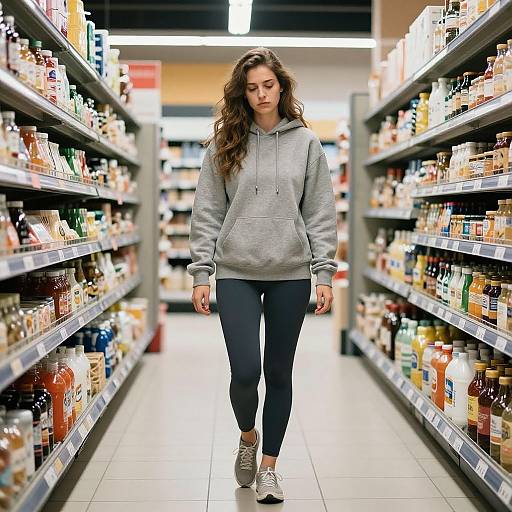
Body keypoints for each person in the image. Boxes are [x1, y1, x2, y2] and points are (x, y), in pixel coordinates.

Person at [187, 47, 337, 504]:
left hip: (291, 272)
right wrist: (201, 272)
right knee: (245, 371)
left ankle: (270, 466)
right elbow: (207, 212)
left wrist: (324, 272)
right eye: (251, 88)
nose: (261, 95)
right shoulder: (224, 143)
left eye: (268, 85)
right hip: (237, 272)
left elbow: (320, 212)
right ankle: (248, 437)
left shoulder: (306, 144)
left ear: (282, 86)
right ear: (242, 93)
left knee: (279, 371)